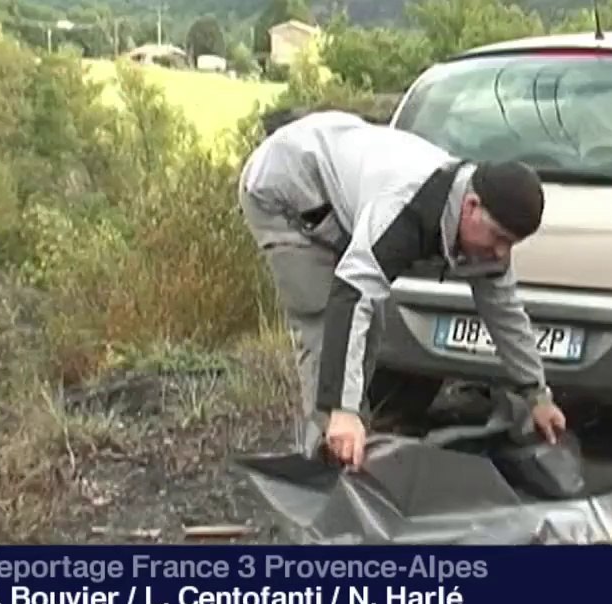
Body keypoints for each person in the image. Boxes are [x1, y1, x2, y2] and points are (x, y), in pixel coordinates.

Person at [237, 109, 568, 470]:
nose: (502, 253)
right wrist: (341, 409)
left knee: (371, 325)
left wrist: (538, 396)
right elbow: (351, 296)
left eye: (512, 244)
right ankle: (327, 468)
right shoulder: (406, 206)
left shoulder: (480, 227)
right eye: (500, 238)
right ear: (471, 207)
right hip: (284, 191)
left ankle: (348, 444)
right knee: (325, 317)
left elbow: (504, 312)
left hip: (343, 191)